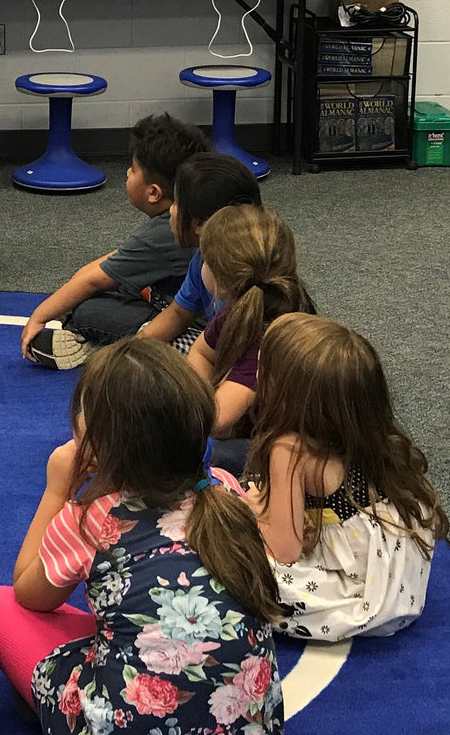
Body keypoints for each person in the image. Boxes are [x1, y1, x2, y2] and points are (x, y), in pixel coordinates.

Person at [0, 338, 284, 735]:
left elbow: (27, 592)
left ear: (99, 442)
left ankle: (60, 714)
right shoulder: (224, 491)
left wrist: (58, 488)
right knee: (147, 620)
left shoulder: (94, 516)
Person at [245, 314, 448, 640]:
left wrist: (254, 514)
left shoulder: (288, 447)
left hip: (360, 589)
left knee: (233, 563)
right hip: (399, 575)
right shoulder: (357, 430)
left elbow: (283, 550)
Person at [21, 114, 209, 370]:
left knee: (87, 311)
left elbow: (94, 279)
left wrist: (40, 316)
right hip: (172, 308)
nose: (127, 174)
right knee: (104, 290)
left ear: (154, 192)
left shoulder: (167, 230)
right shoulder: (180, 216)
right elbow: (111, 263)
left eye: (132, 170)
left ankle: (116, 351)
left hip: (192, 330)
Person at [186, 205, 314, 475]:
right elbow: (200, 354)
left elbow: (218, 420)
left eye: (204, 260)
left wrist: (194, 400)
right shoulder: (245, 306)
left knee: (207, 456)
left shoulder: (266, 334)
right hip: (262, 423)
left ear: (219, 278)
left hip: (301, 444)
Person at [139, 153, 263, 353]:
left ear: (199, 224)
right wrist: (134, 349)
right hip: (217, 347)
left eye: (176, 203)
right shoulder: (201, 258)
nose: (170, 211)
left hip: (250, 363)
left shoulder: (246, 279)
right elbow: (179, 313)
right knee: (147, 339)